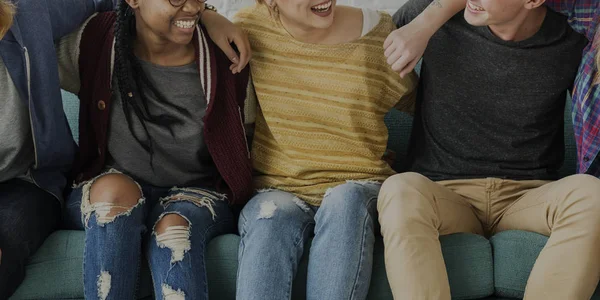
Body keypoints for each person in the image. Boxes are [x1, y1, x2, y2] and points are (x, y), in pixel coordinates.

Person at [377, 0, 600, 299]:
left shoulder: (570, 39)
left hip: (527, 197)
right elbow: (352, 51)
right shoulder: (429, 15)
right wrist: (422, 24)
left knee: (592, 193)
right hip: (444, 193)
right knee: (398, 189)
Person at [55, 0, 253, 298]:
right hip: (111, 185)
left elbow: (248, 135)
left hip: (198, 193)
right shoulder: (98, 41)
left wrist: (211, 15)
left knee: (174, 230)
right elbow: (28, 59)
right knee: (113, 198)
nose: (191, 8)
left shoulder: (225, 57)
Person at [232, 0, 417, 299]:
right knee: (270, 218)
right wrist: (212, 20)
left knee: (344, 201)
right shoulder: (250, 28)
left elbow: (427, 105)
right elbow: (179, 17)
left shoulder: (379, 33)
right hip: (280, 187)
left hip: (359, 183)